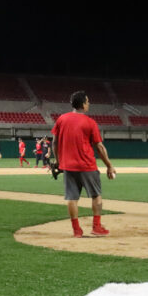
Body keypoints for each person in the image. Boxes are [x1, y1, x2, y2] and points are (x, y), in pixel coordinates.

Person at [50, 90, 116, 237]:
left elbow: (55, 142)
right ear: (83, 104)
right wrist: (109, 166)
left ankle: (76, 230)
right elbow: (99, 147)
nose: (89, 103)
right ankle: (96, 227)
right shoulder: (90, 122)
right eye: (87, 101)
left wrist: (58, 161)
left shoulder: (61, 119)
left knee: (72, 198)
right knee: (96, 196)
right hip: (87, 165)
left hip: (68, 166)